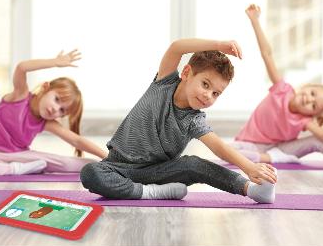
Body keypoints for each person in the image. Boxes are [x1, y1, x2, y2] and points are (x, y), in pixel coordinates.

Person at [80, 38, 278, 203]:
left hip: (156, 174)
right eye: (205, 84)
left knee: (193, 164)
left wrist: (249, 168)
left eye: (216, 93)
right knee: (90, 173)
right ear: (186, 73)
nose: (208, 95)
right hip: (116, 167)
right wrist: (218, 45)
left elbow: (219, 147)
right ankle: (151, 193)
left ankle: (251, 190)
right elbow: (176, 47)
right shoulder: (164, 82)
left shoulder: (194, 120)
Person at [229, 4, 323, 168]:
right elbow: (267, 54)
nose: (309, 100)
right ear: (306, 87)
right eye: (312, 93)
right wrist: (255, 21)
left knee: (315, 140)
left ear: (313, 115)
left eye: (313, 106)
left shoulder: (303, 121)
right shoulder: (282, 89)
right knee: (229, 152)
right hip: (249, 145)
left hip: (280, 150)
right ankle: (269, 158)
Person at [0, 50, 107, 176]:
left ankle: (106, 166)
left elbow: (76, 140)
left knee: (66, 163)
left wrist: (106, 157)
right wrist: (55, 62)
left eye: (62, 111)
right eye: (56, 99)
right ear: (45, 87)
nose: (55, 109)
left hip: (22, 157)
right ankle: (14, 169)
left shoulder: (46, 122)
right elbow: (21, 68)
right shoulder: (20, 96)